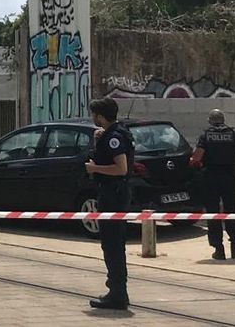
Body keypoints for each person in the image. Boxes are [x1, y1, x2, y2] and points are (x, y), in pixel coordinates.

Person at [85, 97, 134, 310]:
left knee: (113, 245)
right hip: (114, 193)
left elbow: (121, 168)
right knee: (112, 245)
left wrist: (95, 169)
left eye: (94, 114)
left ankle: (117, 294)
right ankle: (116, 290)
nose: (92, 118)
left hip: (113, 194)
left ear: (100, 116)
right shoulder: (113, 134)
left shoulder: (114, 137)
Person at [190, 109, 235, 260]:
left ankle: (219, 249)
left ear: (210, 121)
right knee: (230, 211)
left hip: (211, 179)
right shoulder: (234, 134)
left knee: (213, 212)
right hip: (230, 179)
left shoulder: (206, 135)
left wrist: (192, 163)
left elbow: (197, 158)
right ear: (223, 120)